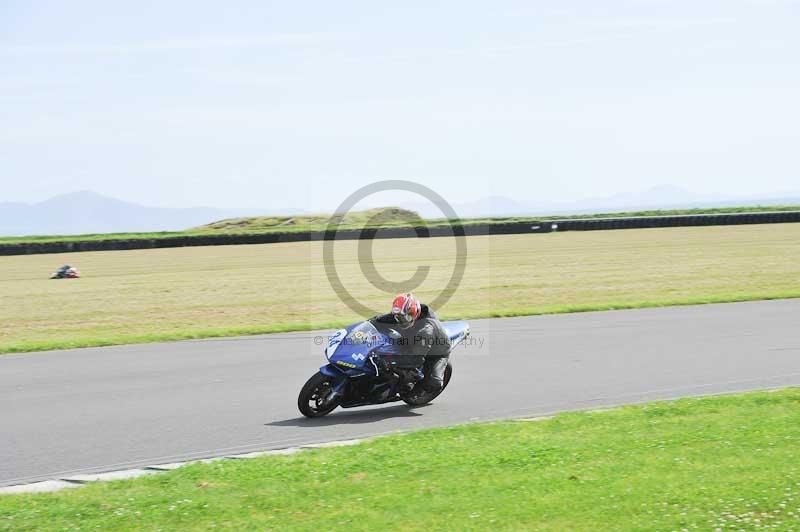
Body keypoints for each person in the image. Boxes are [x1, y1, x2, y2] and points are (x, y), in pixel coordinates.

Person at [374, 293, 451, 393]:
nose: (402, 322)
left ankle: (414, 390)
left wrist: (388, 362)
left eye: (405, 318)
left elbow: (415, 359)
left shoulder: (426, 330)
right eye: (399, 318)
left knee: (433, 384)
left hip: (435, 353)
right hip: (413, 341)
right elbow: (378, 321)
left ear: (415, 313)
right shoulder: (402, 314)